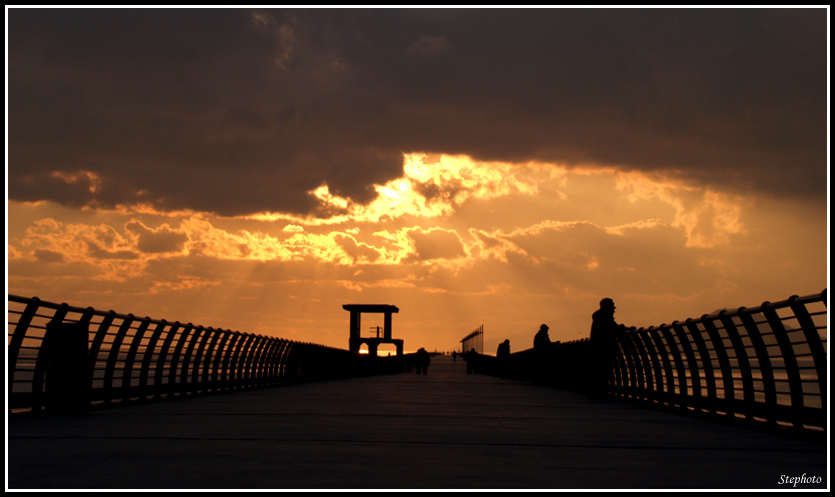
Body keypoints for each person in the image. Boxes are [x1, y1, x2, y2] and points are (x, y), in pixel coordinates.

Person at [588, 298, 628, 398]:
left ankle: (598, 392)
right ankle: (600, 393)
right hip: (602, 348)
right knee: (603, 370)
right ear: (607, 307)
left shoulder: (599, 316)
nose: (614, 309)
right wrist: (622, 328)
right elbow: (612, 329)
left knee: (600, 370)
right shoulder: (604, 317)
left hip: (598, 348)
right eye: (612, 307)